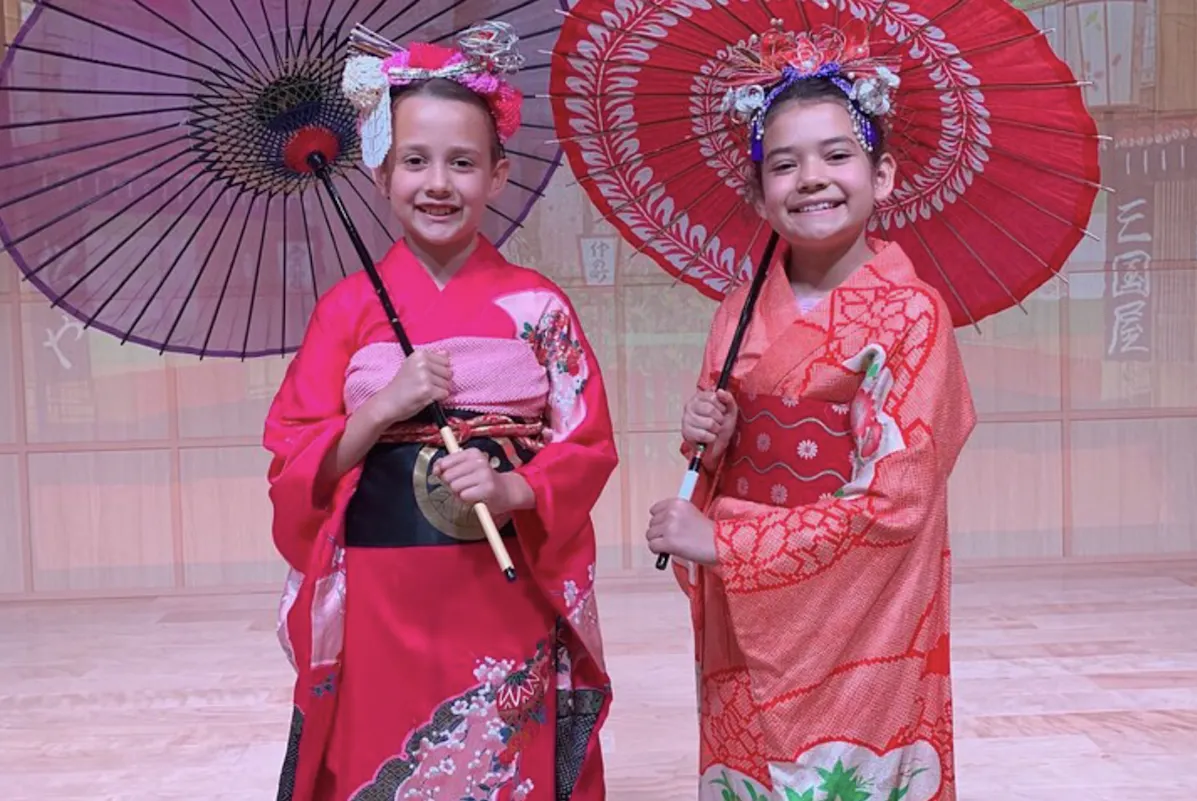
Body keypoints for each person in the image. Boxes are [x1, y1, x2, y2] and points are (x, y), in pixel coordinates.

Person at [264, 22, 617, 801]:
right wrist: (380, 408)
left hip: (501, 581)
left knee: (496, 760)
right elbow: (292, 455)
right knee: (385, 761)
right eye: (414, 161)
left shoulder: (539, 306)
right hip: (381, 590)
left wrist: (514, 489)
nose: (438, 182)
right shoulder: (348, 308)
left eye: (463, 162)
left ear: (497, 175)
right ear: (382, 171)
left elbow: (587, 440)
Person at [643, 25, 978, 801]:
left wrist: (723, 537)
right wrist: (712, 443)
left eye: (837, 155)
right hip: (748, 601)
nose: (810, 179)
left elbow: (898, 501)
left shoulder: (911, 314)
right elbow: (719, 462)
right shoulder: (736, 311)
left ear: (883, 173)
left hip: (865, 615)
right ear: (759, 193)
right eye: (782, 164)